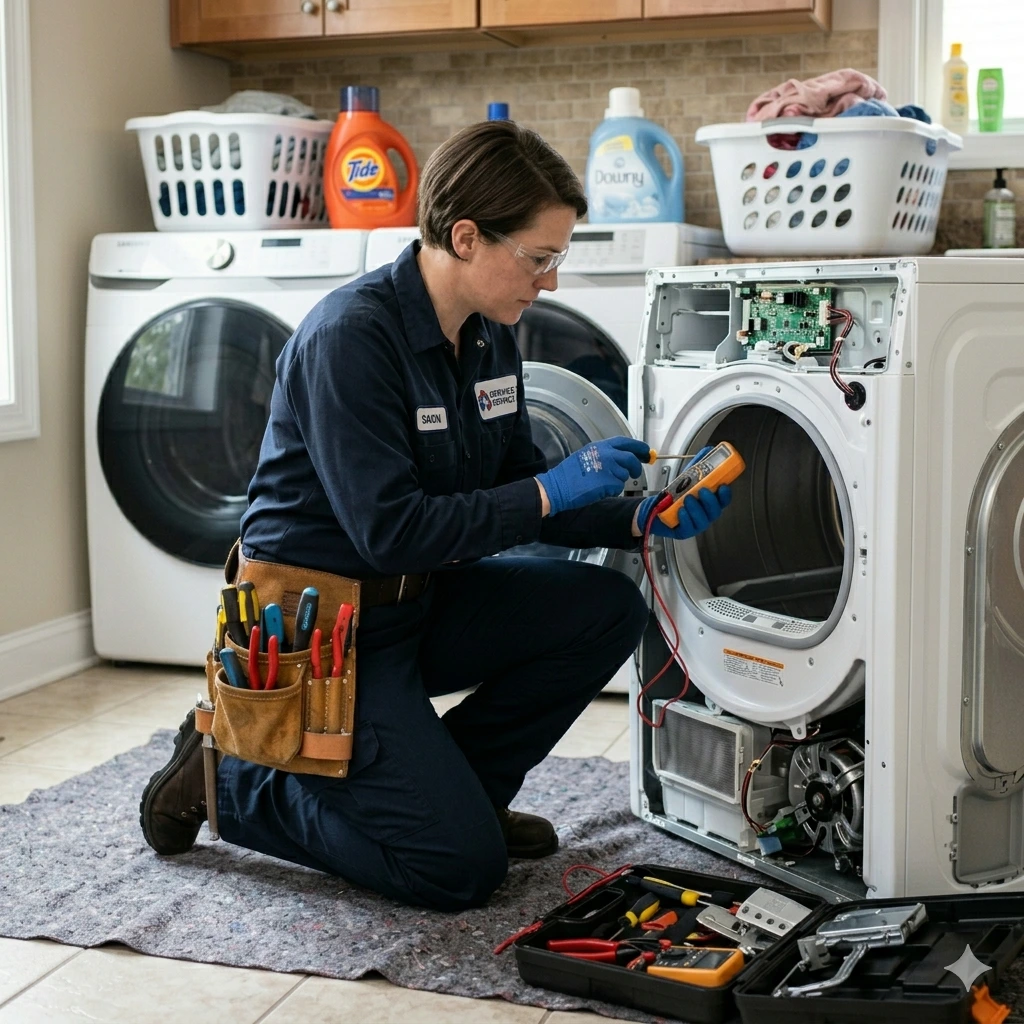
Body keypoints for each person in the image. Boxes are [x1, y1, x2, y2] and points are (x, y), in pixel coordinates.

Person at [139, 121, 732, 911]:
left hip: (417, 604)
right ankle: (231, 784)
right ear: (464, 237)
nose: (550, 281)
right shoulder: (351, 339)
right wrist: (555, 489)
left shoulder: (488, 340)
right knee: (458, 872)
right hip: (326, 640)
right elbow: (391, 531)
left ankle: (463, 794)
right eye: (539, 256)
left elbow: (518, 493)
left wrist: (637, 519)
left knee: (604, 609)